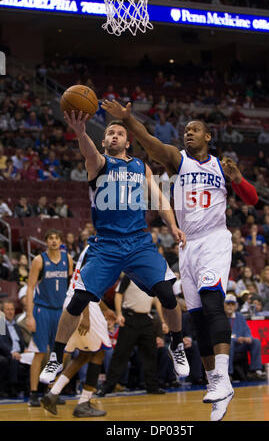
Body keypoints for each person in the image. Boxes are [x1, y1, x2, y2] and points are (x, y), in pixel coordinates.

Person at [101, 99, 259, 422]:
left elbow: (253, 200)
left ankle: (224, 378)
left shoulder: (220, 166)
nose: (188, 134)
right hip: (188, 246)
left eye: (195, 130)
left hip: (215, 239)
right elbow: (149, 141)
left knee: (213, 303)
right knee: (198, 318)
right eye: (186, 130)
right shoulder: (178, 160)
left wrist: (239, 178)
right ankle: (217, 387)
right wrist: (129, 119)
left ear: (208, 137)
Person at [39, 110, 190, 389]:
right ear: (105, 140)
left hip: (138, 242)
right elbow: (88, 152)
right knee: (78, 300)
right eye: (110, 133)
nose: (115, 136)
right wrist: (82, 132)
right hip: (107, 243)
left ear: (128, 141)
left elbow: (159, 198)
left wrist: (172, 225)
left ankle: (177, 345)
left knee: (168, 293)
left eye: (120, 133)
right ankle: (56, 356)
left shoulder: (140, 166)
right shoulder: (99, 163)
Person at [41, 248, 116, 417]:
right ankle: (84, 402)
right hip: (83, 305)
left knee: (84, 355)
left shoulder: (92, 248)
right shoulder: (99, 249)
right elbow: (84, 286)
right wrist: (86, 315)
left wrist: (106, 309)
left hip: (77, 302)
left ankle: (53, 394)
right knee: (99, 352)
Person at [26, 229, 74, 407]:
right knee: (39, 352)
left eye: (56, 238)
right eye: (50, 238)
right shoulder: (39, 260)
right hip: (42, 310)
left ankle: (51, 391)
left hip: (60, 310)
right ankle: (33, 393)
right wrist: (30, 315)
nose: (53, 241)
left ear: (61, 241)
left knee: (58, 353)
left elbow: (70, 285)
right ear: (46, 241)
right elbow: (30, 287)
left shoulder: (67, 259)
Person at [98, 275, 166, 397]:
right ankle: (108, 386)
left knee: (151, 354)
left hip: (147, 319)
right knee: (120, 354)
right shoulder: (129, 276)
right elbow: (119, 294)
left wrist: (163, 321)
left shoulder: (152, 278)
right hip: (129, 317)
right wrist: (119, 314)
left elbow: (157, 300)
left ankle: (152, 386)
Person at [224, 294, 265, 381]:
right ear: (223, 305)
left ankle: (255, 370)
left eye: (232, 304)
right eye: (228, 304)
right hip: (227, 345)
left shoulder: (239, 316)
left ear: (236, 306)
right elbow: (222, 334)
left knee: (255, 342)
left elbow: (246, 330)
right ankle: (228, 373)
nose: (230, 306)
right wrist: (236, 339)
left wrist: (248, 337)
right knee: (229, 343)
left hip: (240, 344)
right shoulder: (220, 317)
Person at [0, 299, 30, 397]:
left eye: (12, 309)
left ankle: (30, 388)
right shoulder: (1, 324)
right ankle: (13, 388)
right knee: (13, 359)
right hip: (8, 352)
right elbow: (1, 342)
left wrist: (25, 348)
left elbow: (21, 341)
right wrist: (12, 351)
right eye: (8, 309)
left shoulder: (16, 325)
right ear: (3, 311)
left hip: (19, 352)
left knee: (33, 358)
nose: (10, 312)